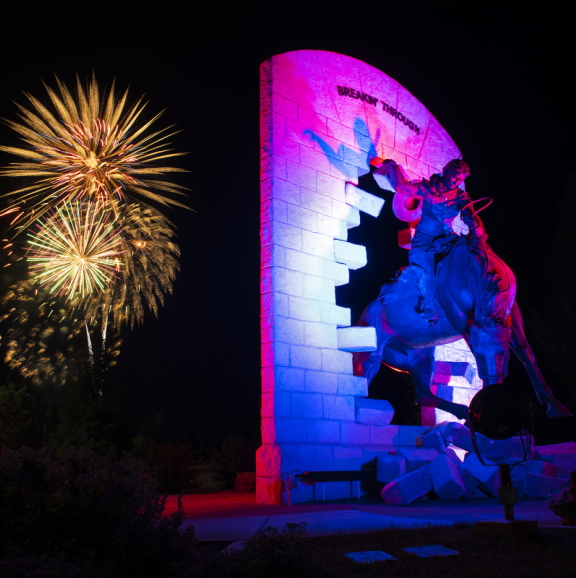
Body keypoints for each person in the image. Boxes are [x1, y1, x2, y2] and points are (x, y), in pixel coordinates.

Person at [375, 159, 480, 324]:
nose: (458, 182)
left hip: (448, 236)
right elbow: (402, 188)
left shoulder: (461, 196)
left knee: (471, 252)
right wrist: (394, 168)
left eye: (461, 180)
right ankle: (430, 304)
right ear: (446, 171)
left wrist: (476, 226)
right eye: (455, 178)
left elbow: (469, 214)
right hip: (425, 238)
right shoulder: (428, 188)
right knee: (422, 263)